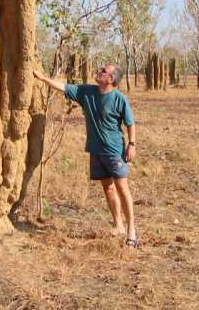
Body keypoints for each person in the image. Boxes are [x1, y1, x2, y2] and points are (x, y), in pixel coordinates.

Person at [32, 64, 139, 247]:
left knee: (122, 188)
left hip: (114, 151)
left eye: (103, 71)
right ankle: (119, 225)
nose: (99, 71)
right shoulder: (87, 92)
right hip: (96, 150)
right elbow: (64, 87)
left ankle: (132, 232)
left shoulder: (119, 98)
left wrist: (132, 145)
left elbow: (130, 123)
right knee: (108, 188)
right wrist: (42, 78)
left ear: (110, 79)